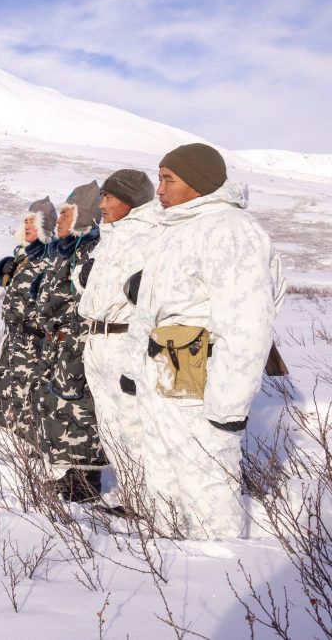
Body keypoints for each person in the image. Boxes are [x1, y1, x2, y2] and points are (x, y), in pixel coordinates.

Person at [130, 143, 285, 539]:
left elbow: (247, 321)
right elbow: (152, 313)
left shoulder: (229, 230)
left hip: (202, 372)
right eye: (159, 178)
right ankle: (166, 555)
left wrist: (229, 405)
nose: (159, 190)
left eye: (169, 180)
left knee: (205, 474)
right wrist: (136, 367)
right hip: (168, 366)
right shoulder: (177, 228)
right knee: (164, 465)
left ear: (197, 184)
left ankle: (218, 566)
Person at [77, 169, 157, 509]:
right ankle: (131, 497)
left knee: (134, 426)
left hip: (125, 340)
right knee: (110, 427)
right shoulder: (110, 236)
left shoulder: (150, 238)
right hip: (96, 339)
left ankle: (150, 504)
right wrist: (81, 278)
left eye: (110, 197)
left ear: (132, 200)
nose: (102, 203)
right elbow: (99, 286)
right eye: (103, 196)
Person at [30, 181, 105, 502]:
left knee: (82, 411)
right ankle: (73, 472)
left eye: (66, 214)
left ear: (83, 217)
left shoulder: (90, 251)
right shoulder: (67, 250)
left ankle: (87, 483)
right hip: (57, 342)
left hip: (77, 342)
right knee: (62, 410)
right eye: (59, 214)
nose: (59, 220)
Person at [0, 196, 57, 449]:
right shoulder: (25, 256)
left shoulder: (52, 256)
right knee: (14, 390)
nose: (28, 227)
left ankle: (40, 444)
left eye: (33, 222)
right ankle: (25, 443)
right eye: (25, 222)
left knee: (34, 393)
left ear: (46, 225)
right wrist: (5, 271)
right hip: (16, 338)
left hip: (36, 339)